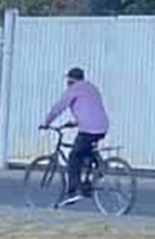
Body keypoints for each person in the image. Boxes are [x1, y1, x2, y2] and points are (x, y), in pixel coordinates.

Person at [40, 67, 110, 207]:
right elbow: (91, 109)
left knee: (74, 157)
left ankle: (73, 191)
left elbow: (58, 108)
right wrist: (75, 123)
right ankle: (97, 169)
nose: (67, 82)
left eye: (68, 80)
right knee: (85, 150)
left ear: (71, 80)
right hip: (102, 127)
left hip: (89, 130)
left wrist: (46, 123)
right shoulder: (92, 88)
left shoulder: (73, 90)